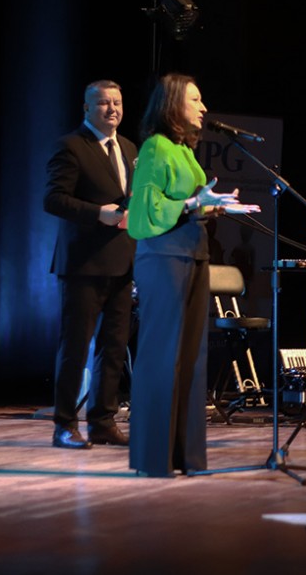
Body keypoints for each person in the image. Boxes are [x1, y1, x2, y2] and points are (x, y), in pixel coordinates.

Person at [126, 72, 260, 477]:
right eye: (195, 100)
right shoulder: (155, 147)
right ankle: (154, 458)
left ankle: (185, 456)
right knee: (163, 355)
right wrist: (191, 204)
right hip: (164, 257)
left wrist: (215, 206)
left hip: (193, 252)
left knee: (191, 357)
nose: (204, 107)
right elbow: (145, 210)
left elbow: (190, 201)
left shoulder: (184, 150)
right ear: (172, 105)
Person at [43, 79, 136, 449]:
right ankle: (65, 424)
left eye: (117, 102)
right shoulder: (71, 146)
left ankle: (102, 421)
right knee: (76, 347)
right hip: (83, 265)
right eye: (103, 103)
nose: (112, 109)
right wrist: (99, 213)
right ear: (86, 108)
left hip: (122, 262)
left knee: (113, 348)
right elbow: (53, 199)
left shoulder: (128, 147)